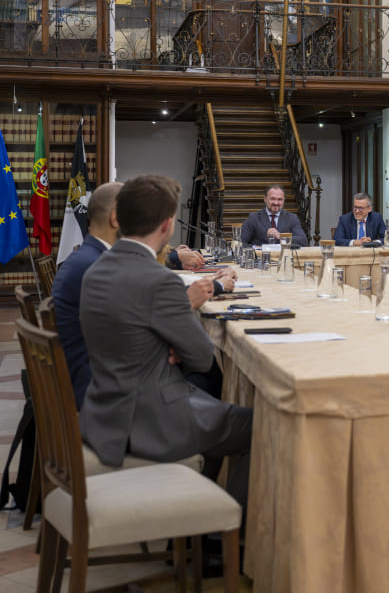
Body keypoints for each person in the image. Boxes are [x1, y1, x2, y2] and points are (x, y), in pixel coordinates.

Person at [79, 174, 253, 503]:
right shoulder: (160, 281)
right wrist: (172, 341)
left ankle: (196, 507)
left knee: (218, 414)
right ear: (167, 225)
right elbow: (202, 358)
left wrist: (163, 341)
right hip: (150, 421)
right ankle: (223, 527)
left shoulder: (94, 271)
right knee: (257, 427)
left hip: (103, 414)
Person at [52, 181, 123, 409]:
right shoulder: (97, 266)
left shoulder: (88, 255)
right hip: (94, 390)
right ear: (115, 218)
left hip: (83, 373)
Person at [240, 184, 309, 246]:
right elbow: (240, 241)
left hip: (284, 255)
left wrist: (281, 237)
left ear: (284, 200)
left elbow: (303, 241)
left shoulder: (292, 218)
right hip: (261, 255)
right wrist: (255, 248)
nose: (276, 203)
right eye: (272, 199)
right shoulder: (254, 218)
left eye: (280, 199)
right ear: (265, 199)